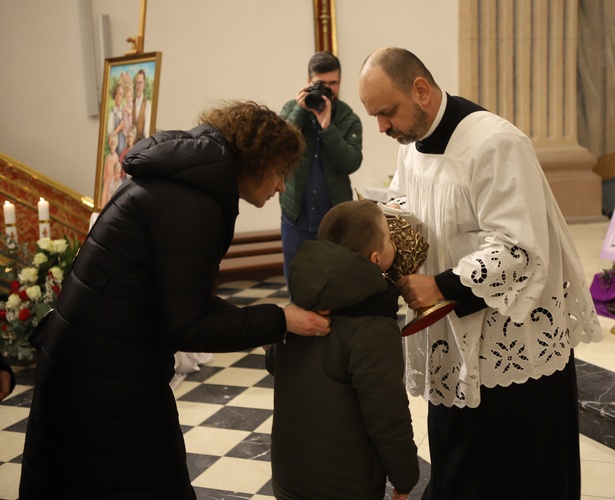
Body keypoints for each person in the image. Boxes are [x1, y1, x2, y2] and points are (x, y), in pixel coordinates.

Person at [19, 100, 332, 499]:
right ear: (256, 160)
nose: (281, 186)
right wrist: (280, 320)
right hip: (107, 375)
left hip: (90, 359)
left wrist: (275, 317)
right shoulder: (194, 203)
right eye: (279, 173)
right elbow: (189, 325)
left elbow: (184, 301)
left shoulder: (181, 182)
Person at [358, 47, 603, 499]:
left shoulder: (495, 144)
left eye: (386, 113)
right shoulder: (413, 148)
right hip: (449, 334)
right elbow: (405, 207)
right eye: (374, 116)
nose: (382, 127)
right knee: (459, 458)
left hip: (510, 343)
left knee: (514, 471)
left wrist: (440, 285)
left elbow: (520, 248)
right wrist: (380, 233)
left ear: (421, 90)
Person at [271, 200, 419, 500]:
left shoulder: (298, 307)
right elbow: (387, 413)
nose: (394, 242)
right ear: (377, 259)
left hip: (290, 474)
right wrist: (405, 476)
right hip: (346, 484)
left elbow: (275, 362)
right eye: (390, 238)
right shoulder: (373, 326)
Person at [279, 51, 363, 281]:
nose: (327, 90)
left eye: (333, 83)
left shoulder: (348, 118)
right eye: (320, 84)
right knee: (297, 285)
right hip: (296, 219)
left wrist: (328, 128)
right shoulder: (290, 110)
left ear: (340, 82)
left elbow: (351, 162)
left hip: (336, 223)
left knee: (335, 286)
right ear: (308, 82)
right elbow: (278, 149)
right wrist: (300, 111)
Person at [106, 82, 127, 157]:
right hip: (116, 154)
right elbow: (110, 139)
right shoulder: (112, 115)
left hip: (125, 152)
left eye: (121, 95)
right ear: (115, 95)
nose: (120, 97)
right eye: (118, 94)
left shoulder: (123, 111)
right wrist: (119, 128)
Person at [134, 69, 152, 142]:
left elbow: (146, 131)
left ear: (144, 84)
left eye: (140, 83)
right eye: (137, 83)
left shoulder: (147, 105)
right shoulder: (130, 103)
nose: (138, 87)